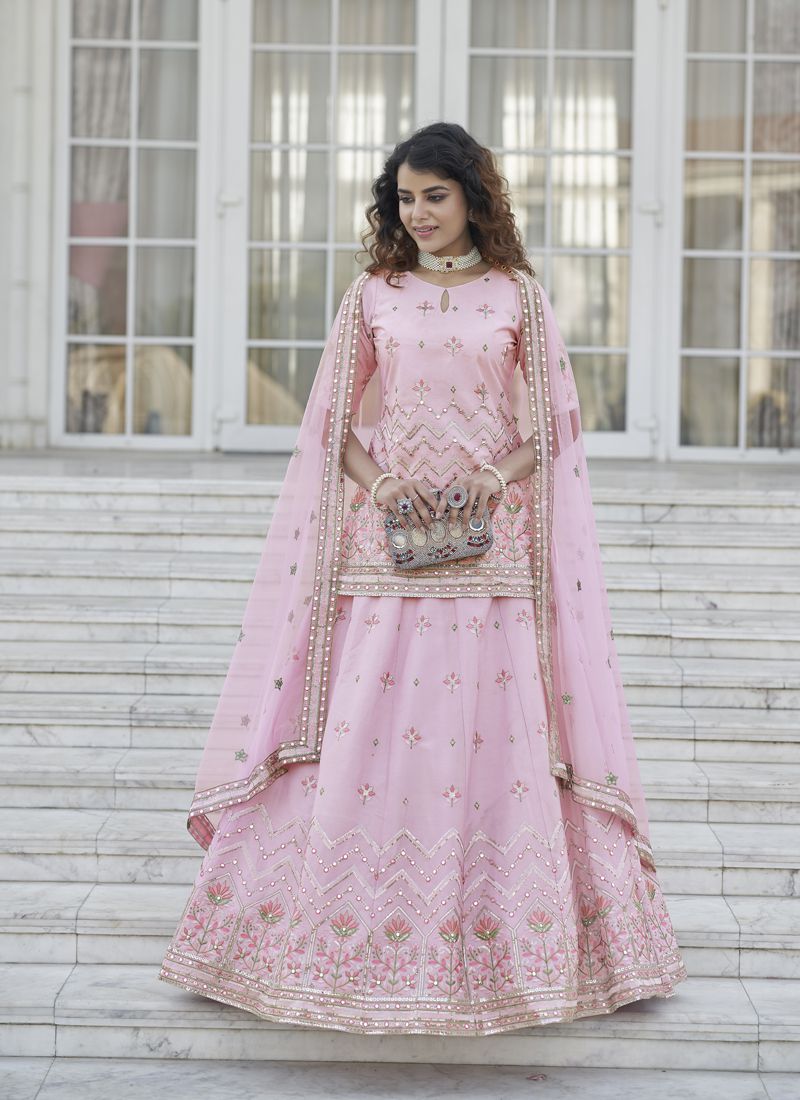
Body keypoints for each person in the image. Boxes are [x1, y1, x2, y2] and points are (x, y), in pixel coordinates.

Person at [158, 121, 687, 1035]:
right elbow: (331, 427)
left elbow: (555, 425)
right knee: (371, 724)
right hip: (392, 547)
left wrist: (495, 476)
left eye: (435, 196)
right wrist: (382, 485)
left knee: (496, 734)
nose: (419, 213)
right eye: (405, 198)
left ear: (474, 196)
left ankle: (528, 951)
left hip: (490, 550)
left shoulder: (517, 294)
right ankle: (324, 943)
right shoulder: (374, 293)